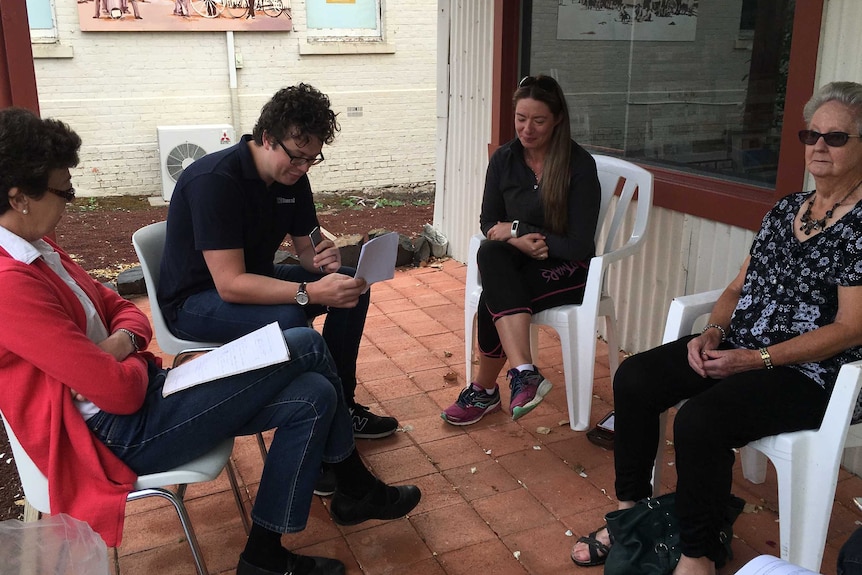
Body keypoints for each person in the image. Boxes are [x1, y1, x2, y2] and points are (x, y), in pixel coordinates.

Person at [0, 107, 420, 575]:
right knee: (302, 343)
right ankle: (354, 483)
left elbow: (123, 311)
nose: (70, 201)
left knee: (316, 394)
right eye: (64, 189)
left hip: (141, 401)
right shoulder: (10, 283)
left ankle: (264, 554)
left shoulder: (40, 250)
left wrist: (119, 349)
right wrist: (136, 361)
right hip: (113, 436)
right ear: (19, 198)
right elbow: (120, 390)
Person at [572, 80, 862, 575]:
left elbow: (851, 327)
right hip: (740, 347)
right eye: (811, 135)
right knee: (634, 379)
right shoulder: (785, 211)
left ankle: (697, 553)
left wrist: (757, 359)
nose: (818, 146)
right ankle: (632, 518)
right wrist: (712, 333)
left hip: (814, 374)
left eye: (835, 138)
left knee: (701, 422)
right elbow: (733, 291)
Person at [157, 84, 398, 442]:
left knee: (351, 287)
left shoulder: (292, 179)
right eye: (297, 156)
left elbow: (306, 249)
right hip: (194, 301)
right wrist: (309, 291)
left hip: (253, 278)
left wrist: (321, 258)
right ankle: (326, 433)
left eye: (312, 158)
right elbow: (230, 284)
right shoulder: (216, 181)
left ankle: (341, 403)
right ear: (267, 137)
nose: (303, 168)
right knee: (287, 319)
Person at [441, 74, 601, 426]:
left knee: (494, 294)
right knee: (489, 254)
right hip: (520, 259)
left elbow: (579, 246)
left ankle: (486, 390)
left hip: (569, 268)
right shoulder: (504, 159)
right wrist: (514, 241)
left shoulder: (580, 166)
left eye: (538, 120)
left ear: (557, 119)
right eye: (521, 119)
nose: (527, 129)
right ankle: (523, 373)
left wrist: (518, 229)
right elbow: (488, 222)